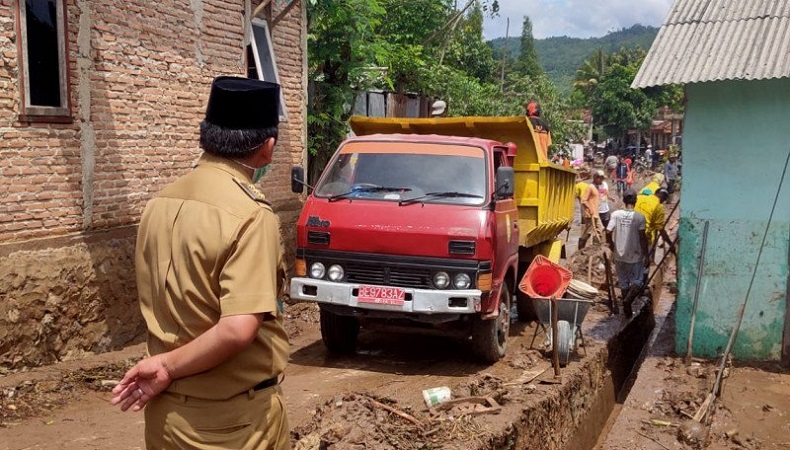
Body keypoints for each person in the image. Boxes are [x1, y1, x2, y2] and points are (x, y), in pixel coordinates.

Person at [111, 76, 290, 449]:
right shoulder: (251, 215)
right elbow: (237, 329)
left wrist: (165, 366)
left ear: (205, 135)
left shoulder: (159, 203)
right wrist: (166, 367)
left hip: (165, 417)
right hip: (232, 424)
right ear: (267, 148)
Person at [606, 189, 649, 317]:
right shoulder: (639, 217)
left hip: (619, 255)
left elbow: (608, 231)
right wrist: (646, 255)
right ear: (635, 201)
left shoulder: (616, 214)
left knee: (624, 282)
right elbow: (642, 238)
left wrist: (612, 245)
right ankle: (627, 301)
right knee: (638, 281)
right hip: (635, 256)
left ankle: (627, 313)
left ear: (624, 201)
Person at [578, 170, 603, 249]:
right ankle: (581, 248)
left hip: (595, 213)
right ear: (595, 178)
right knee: (588, 232)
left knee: (600, 229)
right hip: (590, 214)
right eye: (600, 178)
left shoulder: (596, 187)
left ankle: (596, 247)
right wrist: (589, 208)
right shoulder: (590, 187)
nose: (601, 180)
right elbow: (583, 200)